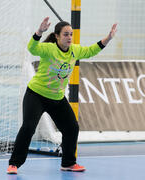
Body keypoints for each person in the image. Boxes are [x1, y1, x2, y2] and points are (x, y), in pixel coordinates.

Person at [7, 17, 117, 174]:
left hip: (57, 98)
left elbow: (92, 50)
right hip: (36, 95)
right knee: (28, 127)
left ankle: (68, 163)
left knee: (72, 127)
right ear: (57, 36)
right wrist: (39, 32)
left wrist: (109, 38)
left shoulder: (75, 50)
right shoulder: (49, 49)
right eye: (66, 34)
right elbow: (32, 48)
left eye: (71, 34)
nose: (69, 37)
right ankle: (14, 164)